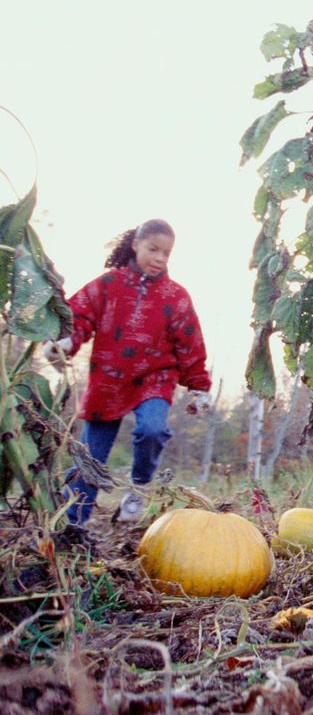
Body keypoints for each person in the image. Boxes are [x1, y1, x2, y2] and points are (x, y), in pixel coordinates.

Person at [44, 219, 212, 527]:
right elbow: (79, 314)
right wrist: (65, 341)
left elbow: (191, 341)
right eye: (153, 249)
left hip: (155, 379)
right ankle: (73, 525)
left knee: (152, 429)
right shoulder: (108, 284)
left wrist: (199, 387)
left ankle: (139, 486)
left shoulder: (175, 296)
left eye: (167, 253)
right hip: (109, 379)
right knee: (91, 457)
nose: (160, 258)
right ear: (136, 244)